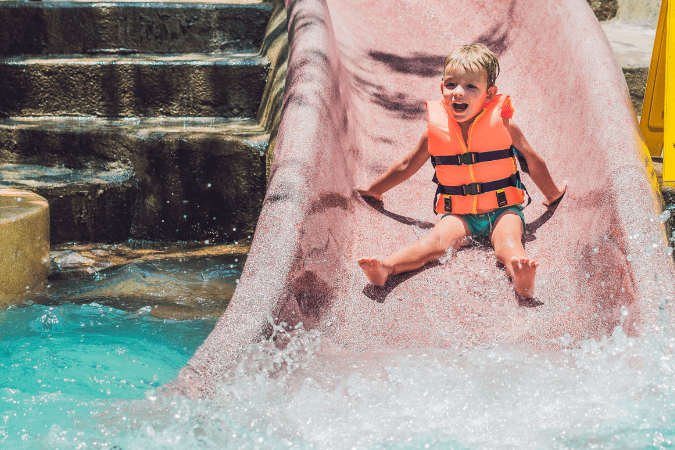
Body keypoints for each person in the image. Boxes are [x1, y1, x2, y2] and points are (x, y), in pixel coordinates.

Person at [357, 43, 566, 299]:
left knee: (507, 243)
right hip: (460, 214)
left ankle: (521, 275)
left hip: (503, 209)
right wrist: (374, 190)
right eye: (451, 84)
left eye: (470, 86)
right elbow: (406, 165)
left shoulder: (504, 125)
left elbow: (533, 162)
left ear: (489, 95)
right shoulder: (435, 133)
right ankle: (387, 267)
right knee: (433, 243)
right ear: (441, 87)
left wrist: (552, 194)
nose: (458, 92)